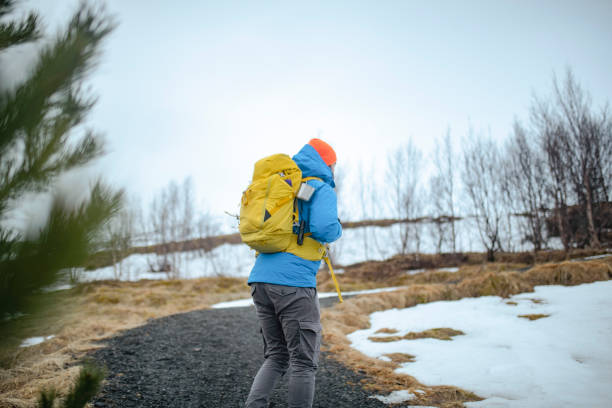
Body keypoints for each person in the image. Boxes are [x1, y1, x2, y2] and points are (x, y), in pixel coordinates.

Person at [245, 139, 342, 408]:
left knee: (276, 356)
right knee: (303, 361)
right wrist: (338, 229)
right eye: (333, 164)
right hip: (293, 284)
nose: (334, 169)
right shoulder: (318, 188)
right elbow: (325, 228)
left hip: (260, 281)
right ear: (327, 163)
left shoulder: (288, 186)